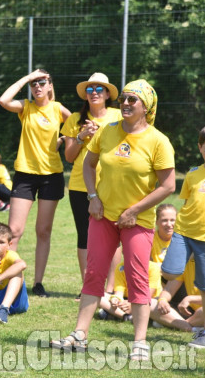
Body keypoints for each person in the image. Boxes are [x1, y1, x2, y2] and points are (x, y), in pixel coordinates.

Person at [51, 79, 175, 362]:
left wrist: (134, 210)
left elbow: (168, 186)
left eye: (134, 100)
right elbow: (87, 163)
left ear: (146, 107)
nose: (127, 103)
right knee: (94, 273)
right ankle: (79, 336)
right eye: (125, 98)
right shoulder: (107, 132)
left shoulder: (159, 141)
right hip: (103, 216)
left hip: (138, 221)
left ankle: (140, 342)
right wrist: (92, 196)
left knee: (137, 278)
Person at [0, 69, 71, 297]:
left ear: (50, 85)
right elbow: (3, 100)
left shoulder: (58, 109)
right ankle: (8, 281)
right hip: (25, 175)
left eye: (42, 82)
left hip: (52, 176)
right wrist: (26, 78)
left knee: (43, 231)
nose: (37, 87)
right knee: (15, 232)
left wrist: (63, 139)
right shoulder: (26, 107)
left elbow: (77, 127)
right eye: (34, 83)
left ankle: (38, 283)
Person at [61, 73, 123, 299]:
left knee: (114, 235)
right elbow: (68, 157)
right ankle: (88, 287)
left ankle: (109, 289)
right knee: (84, 236)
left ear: (107, 94)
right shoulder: (75, 119)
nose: (94, 92)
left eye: (99, 88)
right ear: (85, 95)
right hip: (80, 186)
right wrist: (81, 136)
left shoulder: (118, 116)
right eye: (90, 89)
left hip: (112, 184)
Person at [161, 124, 205, 349]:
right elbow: (186, 203)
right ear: (200, 148)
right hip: (183, 232)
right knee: (170, 271)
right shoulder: (192, 174)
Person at [96, 260, 162, 322]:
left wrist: (132, 304)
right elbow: (119, 293)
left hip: (149, 300)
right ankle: (126, 317)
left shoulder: (153, 267)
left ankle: (113, 313)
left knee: (152, 304)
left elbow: (148, 294)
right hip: (127, 299)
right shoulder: (120, 267)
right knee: (98, 295)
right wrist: (116, 300)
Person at [151, 256, 204, 332]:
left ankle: (174, 323)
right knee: (151, 303)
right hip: (189, 310)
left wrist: (191, 299)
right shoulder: (186, 264)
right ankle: (192, 328)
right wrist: (163, 300)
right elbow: (168, 289)